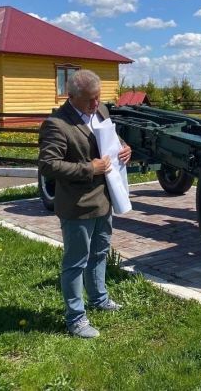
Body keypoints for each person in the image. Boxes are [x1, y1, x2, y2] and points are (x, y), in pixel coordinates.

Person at [38, 70, 132, 338]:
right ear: (72, 97)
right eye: (90, 99)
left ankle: (99, 299)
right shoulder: (57, 124)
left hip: (105, 199)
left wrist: (125, 148)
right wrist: (89, 168)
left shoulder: (100, 110)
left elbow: (110, 139)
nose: (95, 104)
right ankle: (76, 318)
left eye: (98, 97)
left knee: (100, 253)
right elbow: (48, 165)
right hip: (77, 206)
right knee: (76, 262)